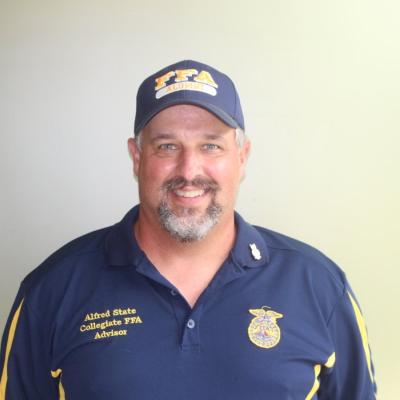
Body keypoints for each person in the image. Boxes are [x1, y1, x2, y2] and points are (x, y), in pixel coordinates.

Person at [0, 60, 376, 399]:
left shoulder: (319, 286)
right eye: (167, 146)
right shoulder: (53, 289)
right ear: (136, 158)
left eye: (211, 146)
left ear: (242, 158)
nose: (189, 170)